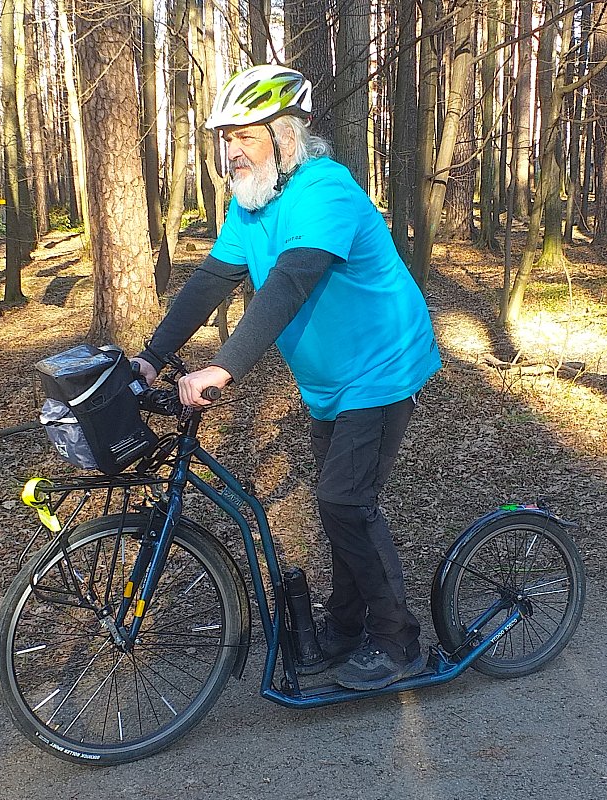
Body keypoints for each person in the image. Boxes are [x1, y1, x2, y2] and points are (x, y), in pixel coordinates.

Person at [130, 64, 442, 691]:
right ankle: (349, 628)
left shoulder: (326, 190)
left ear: (283, 133)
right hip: (328, 381)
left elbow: (292, 280)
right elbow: (213, 281)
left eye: (244, 135)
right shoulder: (252, 205)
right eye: (225, 138)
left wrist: (225, 365)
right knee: (341, 505)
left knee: (343, 501)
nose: (230, 150)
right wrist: (151, 356)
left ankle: (399, 644)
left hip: (382, 364)